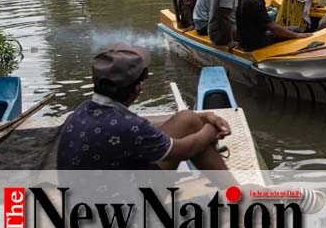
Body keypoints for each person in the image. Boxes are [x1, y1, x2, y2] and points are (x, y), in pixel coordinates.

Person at [57, 44, 232, 173]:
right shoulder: (129, 127)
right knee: (195, 135)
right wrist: (211, 129)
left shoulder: (81, 110)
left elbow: (144, 131)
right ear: (137, 88)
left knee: (187, 118)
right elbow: (186, 149)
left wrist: (203, 116)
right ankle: (235, 193)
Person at [236, 0, 313, 51]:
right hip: (254, 42)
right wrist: (297, 35)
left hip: (244, 37)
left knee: (289, 30)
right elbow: (273, 27)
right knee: (297, 30)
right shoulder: (255, 3)